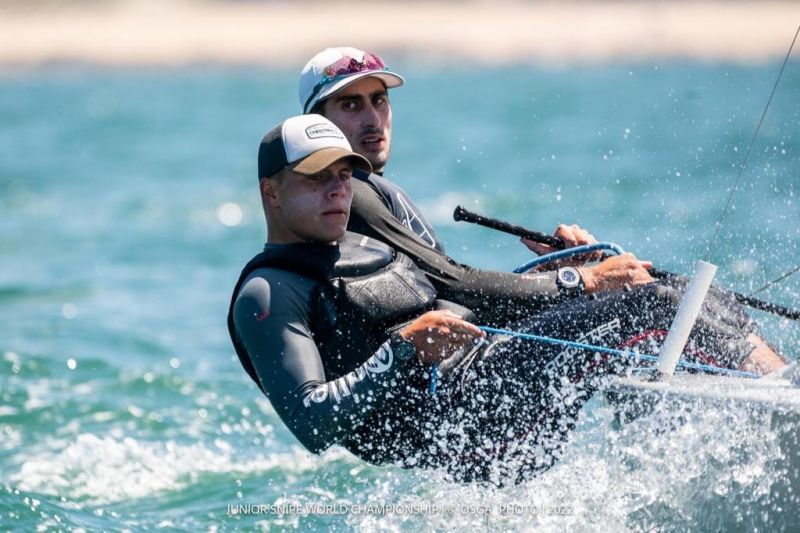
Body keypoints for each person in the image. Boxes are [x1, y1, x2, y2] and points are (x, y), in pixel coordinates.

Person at [228, 115, 785, 487]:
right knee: (655, 309)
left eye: (345, 176)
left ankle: (770, 408)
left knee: (669, 294)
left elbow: (467, 304)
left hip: (494, 374)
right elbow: (311, 422)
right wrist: (399, 352)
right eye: (315, 179)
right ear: (269, 192)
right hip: (467, 427)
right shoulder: (269, 293)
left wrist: (565, 272)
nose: (337, 190)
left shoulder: (363, 243)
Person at [297, 46, 786, 373]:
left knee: (682, 291)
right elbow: (454, 288)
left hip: (479, 360)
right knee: (655, 302)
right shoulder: (349, 195)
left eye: (378, 100)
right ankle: (775, 387)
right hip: (465, 393)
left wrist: (559, 275)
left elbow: (447, 298)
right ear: (315, 124)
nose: (372, 118)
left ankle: (773, 382)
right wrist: (579, 283)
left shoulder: (375, 189)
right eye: (350, 105)